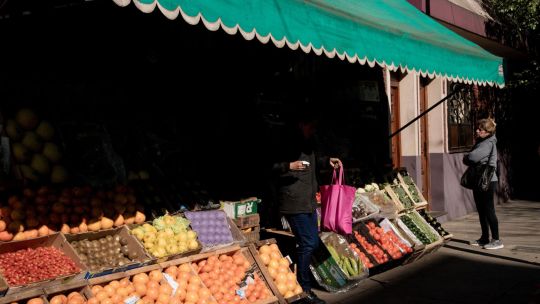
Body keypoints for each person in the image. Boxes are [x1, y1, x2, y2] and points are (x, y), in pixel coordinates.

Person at [270, 111, 341, 304]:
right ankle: (303, 289)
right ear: (301, 124)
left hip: (307, 200)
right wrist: (289, 165)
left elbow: (314, 162)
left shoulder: (308, 142)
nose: (314, 129)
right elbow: (270, 167)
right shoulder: (285, 142)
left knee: (311, 242)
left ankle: (298, 281)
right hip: (293, 201)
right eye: (311, 125)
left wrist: (327, 161)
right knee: (309, 242)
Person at [463, 118, 503, 250]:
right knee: (481, 210)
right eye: (478, 128)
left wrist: (467, 156)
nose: (477, 130)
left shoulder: (488, 142)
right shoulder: (483, 141)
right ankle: (484, 238)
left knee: (488, 210)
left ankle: (496, 240)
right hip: (479, 179)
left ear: (487, 132)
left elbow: (472, 157)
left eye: (480, 129)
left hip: (487, 180)